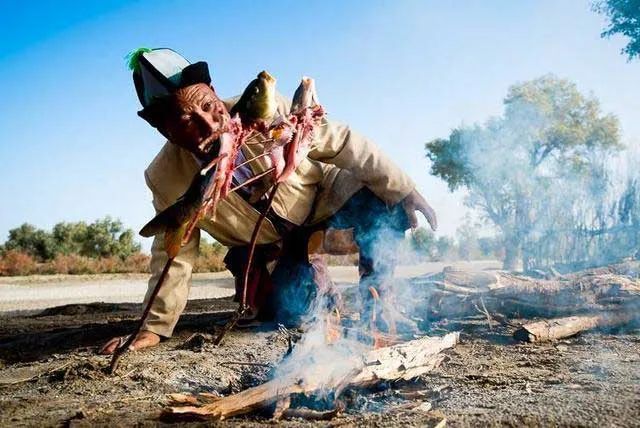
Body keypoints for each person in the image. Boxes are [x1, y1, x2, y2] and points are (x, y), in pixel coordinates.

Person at [101, 48, 437, 354]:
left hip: (320, 199)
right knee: (292, 313)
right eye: (187, 120)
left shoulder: (262, 108)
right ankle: (302, 276)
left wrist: (403, 189)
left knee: (384, 204)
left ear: (215, 92)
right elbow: (174, 254)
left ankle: (378, 302)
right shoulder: (164, 177)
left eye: (207, 105)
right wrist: (154, 328)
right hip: (271, 244)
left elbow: (343, 142)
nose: (208, 123)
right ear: (163, 129)